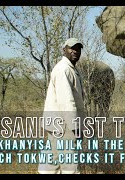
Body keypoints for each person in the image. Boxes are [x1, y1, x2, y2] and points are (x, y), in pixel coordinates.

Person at [38, 38, 85, 174]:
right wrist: (75, 126)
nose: (75, 51)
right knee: (69, 166)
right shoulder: (63, 69)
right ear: (64, 50)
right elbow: (66, 101)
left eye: (78, 48)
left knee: (51, 165)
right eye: (72, 48)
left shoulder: (69, 68)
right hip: (65, 126)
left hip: (56, 124)